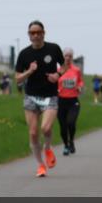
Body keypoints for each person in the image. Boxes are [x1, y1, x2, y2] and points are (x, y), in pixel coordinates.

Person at [14, 21, 64, 177]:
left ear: (44, 33)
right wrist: (29, 71)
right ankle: (40, 165)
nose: (35, 35)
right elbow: (17, 79)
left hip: (50, 96)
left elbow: (64, 65)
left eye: (38, 32)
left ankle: (48, 148)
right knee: (34, 133)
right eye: (32, 33)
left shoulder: (53, 48)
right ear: (29, 35)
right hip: (31, 97)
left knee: (46, 128)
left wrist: (58, 75)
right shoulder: (24, 54)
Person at [57, 48, 84, 155]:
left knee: (71, 123)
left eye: (70, 56)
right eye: (66, 56)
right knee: (63, 126)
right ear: (63, 57)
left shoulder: (76, 70)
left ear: (72, 58)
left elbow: (81, 82)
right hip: (61, 101)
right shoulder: (59, 70)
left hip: (73, 101)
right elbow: (53, 82)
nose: (68, 58)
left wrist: (80, 87)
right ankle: (66, 145)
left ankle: (71, 141)